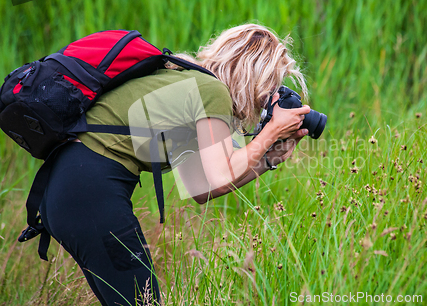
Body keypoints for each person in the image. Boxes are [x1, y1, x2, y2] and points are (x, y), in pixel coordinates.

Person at [38, 23, 311, 305]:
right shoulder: (211, 91)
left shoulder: (190, 86)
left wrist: (268, 159)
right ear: (253, 75)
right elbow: (220, 175)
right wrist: (271, 132)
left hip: (67, 190)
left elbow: (202, 187)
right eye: (271, 85)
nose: (268, 99)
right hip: (89, 193)